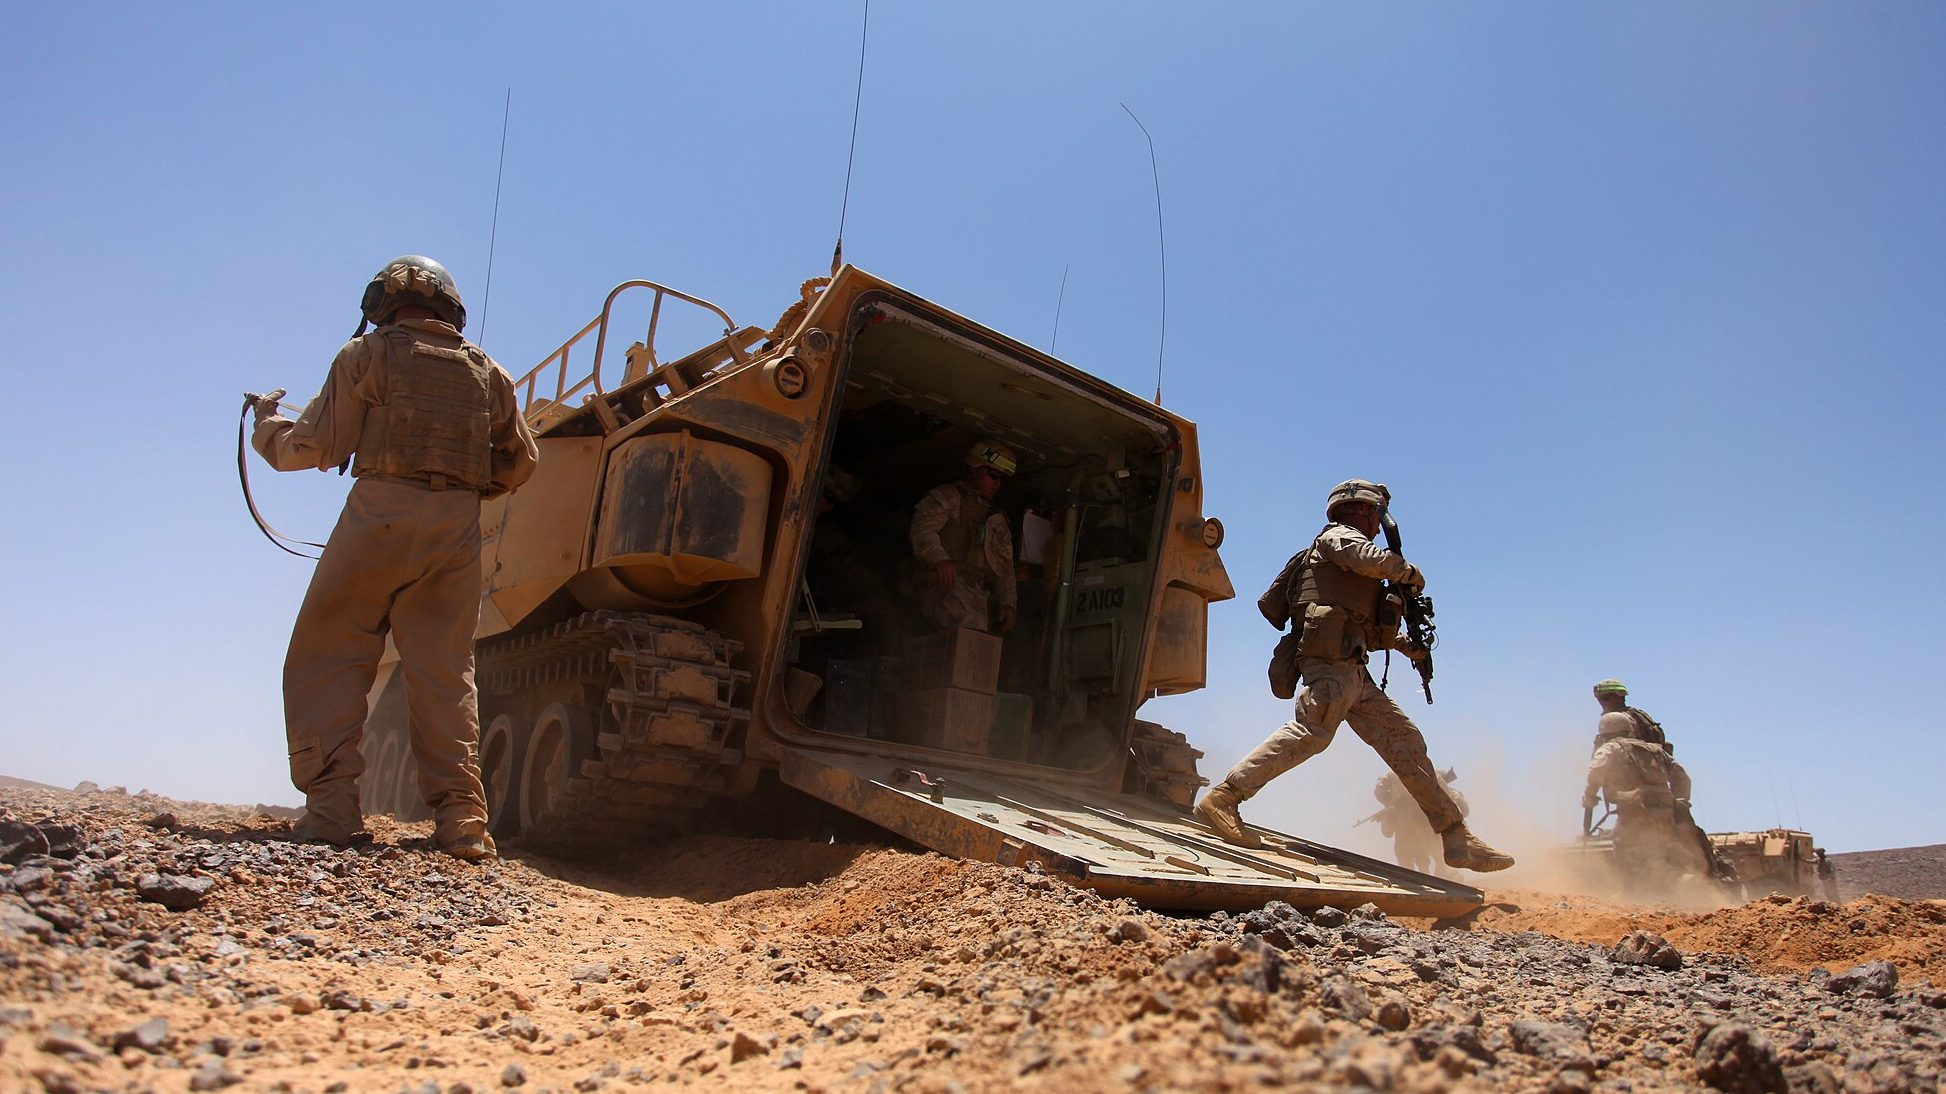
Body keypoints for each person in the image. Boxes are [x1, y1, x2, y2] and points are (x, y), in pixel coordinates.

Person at [251, 255, 539, 861]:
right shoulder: (489, 373)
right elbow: (521, 463)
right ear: (450, 308)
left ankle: (331, 810)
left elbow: (310, 447)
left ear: (380, 303)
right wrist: (463, 490)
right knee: (444, 672)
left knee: (327, 654)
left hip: (378, 513)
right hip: (456, 529)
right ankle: (462, 821)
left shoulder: (366, 354)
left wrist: (265, 427)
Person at [1195, 479, 1513, 872]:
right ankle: (1225, 798)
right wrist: (1407, 571)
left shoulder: (1351, 567)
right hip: (1329, 664)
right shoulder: (1337, 537)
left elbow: (1361, 624)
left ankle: (1455, 835)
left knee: (1405, 740)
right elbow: (1364, 557)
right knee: (1312, 732)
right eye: (1376, 516)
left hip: (1353, 670)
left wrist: (1402, 644)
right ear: (1362, 511)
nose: (1378, 526)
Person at [1582, 717, 1714, 888]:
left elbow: (1596, 770)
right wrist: (1681, 801)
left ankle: (1684, 883)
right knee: (1656, 852)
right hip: (1666, 812)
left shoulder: (1611, 748)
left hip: (1636, 811)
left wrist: (1590, 795)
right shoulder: (1655, 749)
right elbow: (1681, 775)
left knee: (1639, 858)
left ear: (1605, 732)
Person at [908, 440, 1018, 634]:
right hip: (943, 588)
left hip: (979, 596)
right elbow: (922, 531)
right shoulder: (947, 497)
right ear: (975, 468)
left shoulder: (996, 518)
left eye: (1002, 479)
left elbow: (1005, 566)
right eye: (993, 475)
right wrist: (940, 559)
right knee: (970, 630)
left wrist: (1008, 602)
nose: (997, 483)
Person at [1373, 767, 1466, 877]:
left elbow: (1379, 792)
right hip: (1425, 820)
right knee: (1430, 856)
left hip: (1413, 822)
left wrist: (1390, 804)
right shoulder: (1428, 770)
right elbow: (1446, 791)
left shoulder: (1392, 775)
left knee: (1409, 858)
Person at [1592, 678, 1668, 753]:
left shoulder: (1621, 719)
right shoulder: (1636, 715)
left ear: (1620, 696)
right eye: (1598, 699)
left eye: (1604, 698)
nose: (1601, 702)